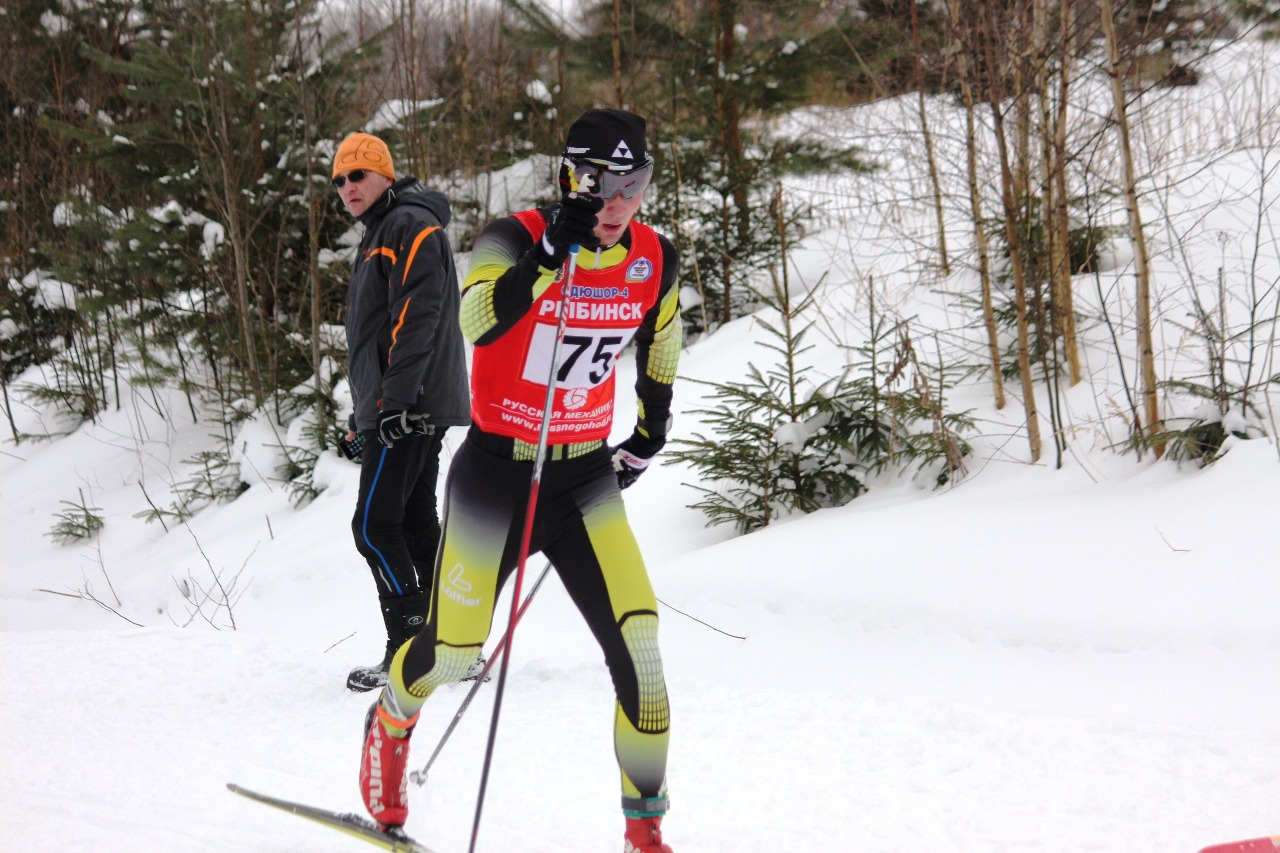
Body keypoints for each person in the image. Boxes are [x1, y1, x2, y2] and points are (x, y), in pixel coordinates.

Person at [357, 109, 683, 853]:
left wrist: (649, 429)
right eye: (600, 185)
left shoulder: (653, 257)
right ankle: (390, 721)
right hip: (496, 476)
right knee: (451, 654)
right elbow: (475, 321)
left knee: (645, 659)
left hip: (583, 479)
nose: (615, 205)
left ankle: (645, 829)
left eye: (633, 186)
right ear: (570, 174)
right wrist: (544, 258)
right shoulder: (512, 233)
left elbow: (663, 337)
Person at [332, 132, 471, 692]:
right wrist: (366, 410)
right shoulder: (382, 233)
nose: (347, 188)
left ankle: (411, 648)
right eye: (339, 181)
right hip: (398, 404)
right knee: (411, 522)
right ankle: (449, 643)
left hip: (409, 405)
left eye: (357, 176)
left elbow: (419, 315)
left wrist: (395, 401)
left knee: (373, 525)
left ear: (386, 176)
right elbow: (377, 335)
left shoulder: (409, 226)